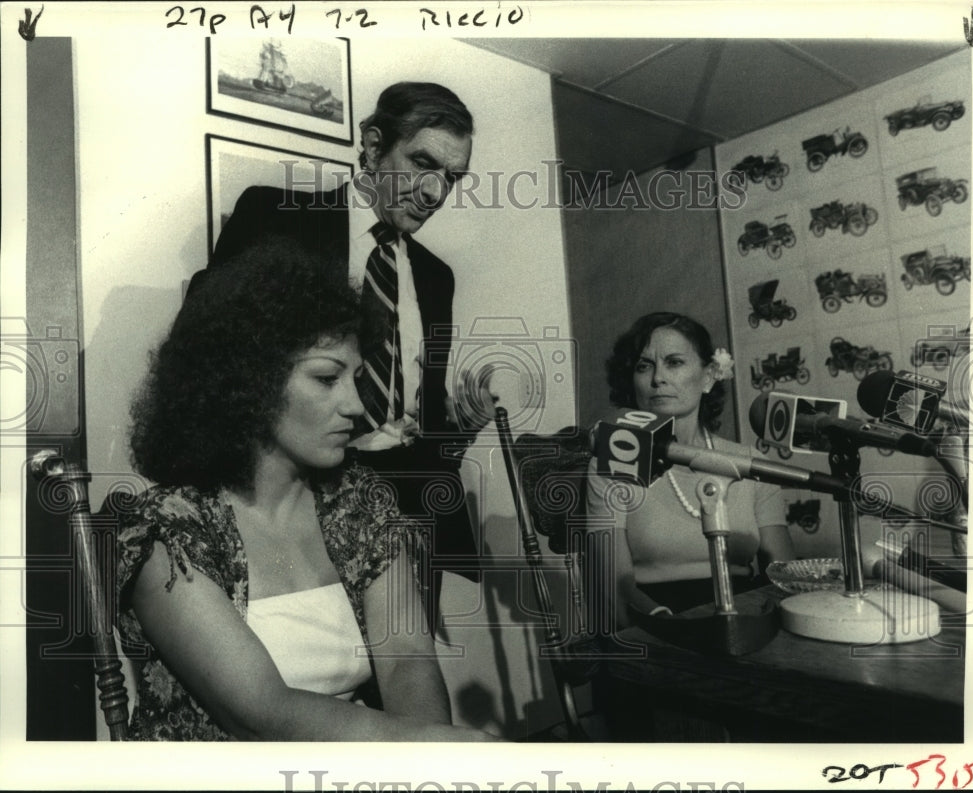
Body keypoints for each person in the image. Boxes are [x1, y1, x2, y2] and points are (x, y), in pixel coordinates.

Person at [118, 239, 495, 740]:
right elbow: (262, 712)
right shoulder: (169, 530)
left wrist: (424, 765)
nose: (357, 407)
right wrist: (429, 745)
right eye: (325, 378)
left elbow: (407, 661)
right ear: (250, 383)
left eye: (356, 379)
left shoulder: (361, 504)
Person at [190, 82, 484, 630]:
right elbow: (206, 356)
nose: (434, 191)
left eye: (451, 177)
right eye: (422, 162)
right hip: (293, 513)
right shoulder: (275, 218)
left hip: (404, 529)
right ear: (373, 148)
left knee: (401, 687)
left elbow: (425, 415)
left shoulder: (436, 278)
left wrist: (457, 427)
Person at [586, 312, 795, 628]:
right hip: (661, 626)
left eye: (674, 362)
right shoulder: (613, 463)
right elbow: (614, 592)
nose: (658, 378)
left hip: (749, 619)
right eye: (644, 366)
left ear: (709, 375)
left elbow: (785, 575)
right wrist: (674, 633)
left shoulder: (750, 463)